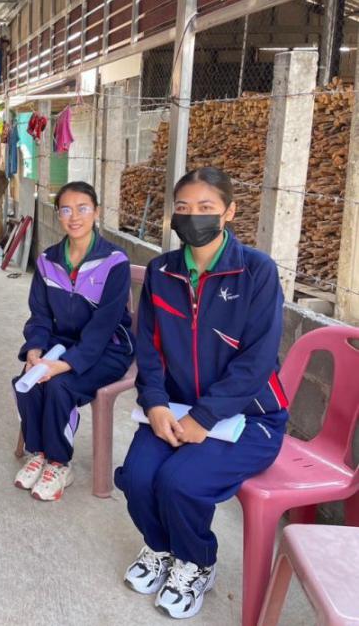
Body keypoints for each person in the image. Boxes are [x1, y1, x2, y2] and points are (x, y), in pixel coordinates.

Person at [114, 166, 289, 619]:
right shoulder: (161, 272)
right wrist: (154, 403)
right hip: (174, 407)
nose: (194, 216)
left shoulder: (257, 271)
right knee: (137, 476)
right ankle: (160, 547)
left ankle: (196, 562)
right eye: (184, 207)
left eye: (206, 207)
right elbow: (148, 349)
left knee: (180, 483)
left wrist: (204, 418)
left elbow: (256, 362)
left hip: (251, 416)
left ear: (229, 212)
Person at [13, 181, 134, 501]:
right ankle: (38, 452)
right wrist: (35, 350)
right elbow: (40, 314)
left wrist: (64, 365)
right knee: (27, 381)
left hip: (108, 348)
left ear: (96, 212)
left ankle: (58, 462)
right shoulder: (47, 261)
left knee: (59, 385)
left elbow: (103, 328)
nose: (75, 217)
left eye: (83, 208)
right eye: (66, 209)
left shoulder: (115, 261)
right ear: (58, 215)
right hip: (60, 342)